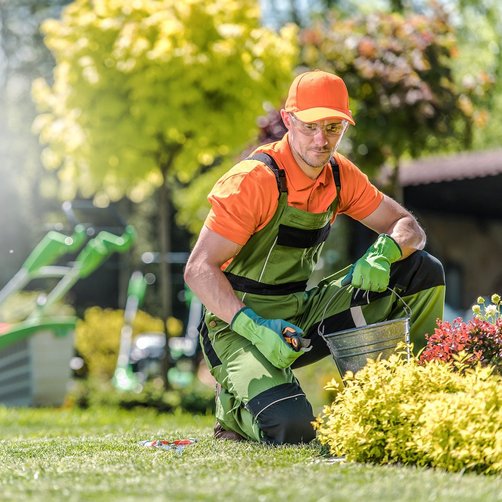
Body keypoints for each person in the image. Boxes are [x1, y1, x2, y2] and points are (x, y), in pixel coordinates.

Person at [184, 69, 445, 445]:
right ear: (288, 120)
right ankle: (232, 411)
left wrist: (385, 252)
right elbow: (197, 270)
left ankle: (413, 398)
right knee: (292, 428)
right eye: (310, 126)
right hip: (235, 324)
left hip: (299, 313)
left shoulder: (341, 176)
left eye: (333, 127)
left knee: (421, 271)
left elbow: (409, 227)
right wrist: (254, 326)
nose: (322, 140)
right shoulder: (253, 181)